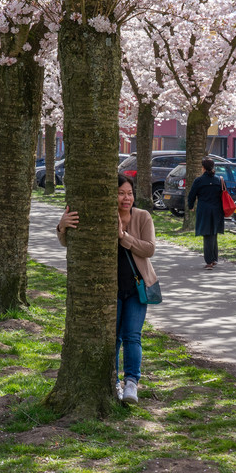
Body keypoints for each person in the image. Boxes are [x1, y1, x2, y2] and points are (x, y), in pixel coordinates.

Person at [56, 173, 157, 406]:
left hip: (136, 288)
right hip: (108, 291)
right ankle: (112, 382)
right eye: (120, 193)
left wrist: (124, 237)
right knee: (113, 338)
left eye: (129, 193)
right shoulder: (102, 216)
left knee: (133, 335)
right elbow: (71, 241)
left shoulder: (142, 217)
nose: (126, 198)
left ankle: (131, 382)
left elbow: (149, 249)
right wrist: (62, 226)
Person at [186, 157, 226, 269]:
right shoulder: (219, 180)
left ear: (203, 168)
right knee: (214, 234)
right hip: (217, 210)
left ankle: (209, 261)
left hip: (204, 210)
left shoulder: (199, 181)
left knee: (207, 234)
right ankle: (214, 259)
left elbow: (191, 195)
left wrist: (190, 206)